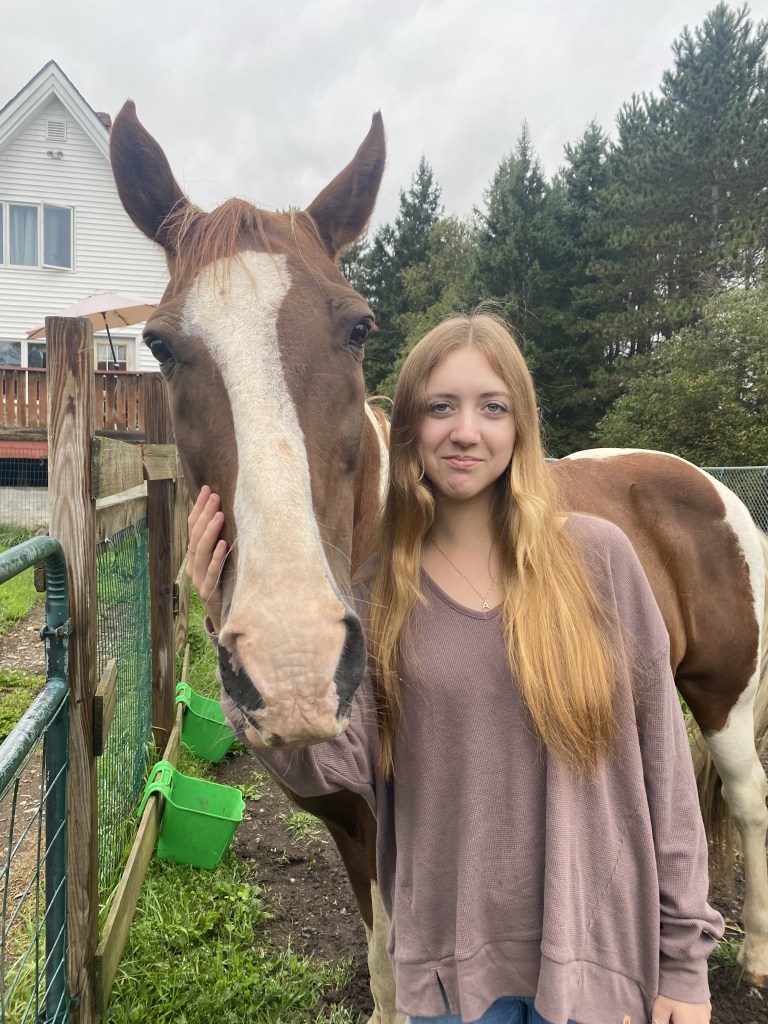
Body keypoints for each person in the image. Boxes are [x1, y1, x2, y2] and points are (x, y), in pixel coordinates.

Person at [187, 312, 723, 1024]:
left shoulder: (602, 561)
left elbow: (666, 771)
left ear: (520, 427)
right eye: (441, 406)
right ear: (407, 430)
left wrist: (684, 964)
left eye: (491, 407)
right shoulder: (377, 599)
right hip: (451, 983)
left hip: (600, 967)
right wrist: (227, 624)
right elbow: (325, 769)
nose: (465, 430)